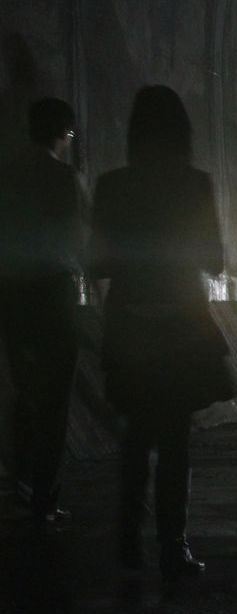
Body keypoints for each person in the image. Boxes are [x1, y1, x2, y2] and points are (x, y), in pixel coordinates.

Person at [88, 86, 228, 580]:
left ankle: (128, 541)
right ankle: (173, 544)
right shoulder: (194, 184)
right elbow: (215, 257)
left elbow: (98, 261)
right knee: (175, 440)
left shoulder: (112, 185)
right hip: (181, 328)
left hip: (129, 327)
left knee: (135, 437)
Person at [0, 97, 86, 527]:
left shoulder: (8, 175)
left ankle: (18, 483)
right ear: (63, 134)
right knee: (55, 399)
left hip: (13, 292)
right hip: (54, 293)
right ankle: (45, 497)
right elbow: (83, 240)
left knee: (25, 390)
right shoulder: (64, 177)